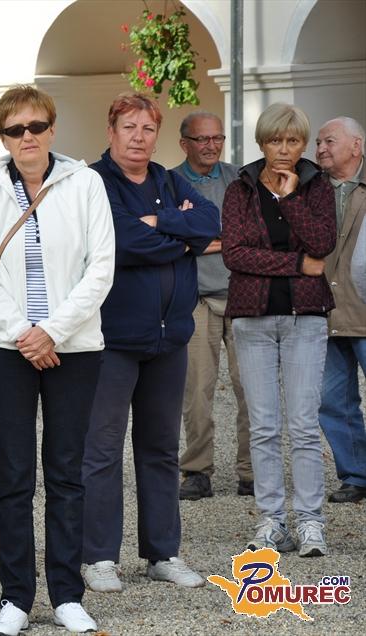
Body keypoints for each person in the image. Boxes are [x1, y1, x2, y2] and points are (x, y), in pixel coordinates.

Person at [0, 85, 115, 636]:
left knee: (67, 472)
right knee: (14, 475)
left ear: (52, 129)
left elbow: (101, 268)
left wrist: (52, 331)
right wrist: (24, 332)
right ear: (3, 136)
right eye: (14, 129)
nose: (26, 137)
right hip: (7, 349)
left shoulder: (85, 182)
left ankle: (67, 595)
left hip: (74, 347)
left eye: (35, 126)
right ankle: (16, 598)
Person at [82, 93, 219, 594]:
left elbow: (211, 222)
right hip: (113, 340)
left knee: (161, 448)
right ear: (111, 131)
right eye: (129, 127)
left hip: (169, 337)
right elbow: (120, 241)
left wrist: (162, 222)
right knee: (102, 449)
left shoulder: (167, 179)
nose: (139, 137)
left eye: (147, 128)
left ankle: (163, 553)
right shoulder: (95, 182)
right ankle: (98, 557)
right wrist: (181, 239)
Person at [223, 103, 336, 556]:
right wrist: (297, 264)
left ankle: (310, 522)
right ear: (262, 143)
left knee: (304, 425)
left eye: (293, 141)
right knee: (264, 426)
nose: (284, 149)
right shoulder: (240, 188)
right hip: (252, 319)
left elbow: (323, 244)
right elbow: (234, 254)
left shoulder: (317, 185)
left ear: (304, 143)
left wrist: (289, 200)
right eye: (275, 140)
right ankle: (272, 520)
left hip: (306, 318)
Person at [173, 112, 253, 500]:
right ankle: (197, 470)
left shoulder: (241, 179)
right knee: (196, 392)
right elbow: (170, 238)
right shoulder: (169, 182)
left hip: (243, 295)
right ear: (184, 143)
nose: (211, 145)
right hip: (197, 300)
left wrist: (202, 240)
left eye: (217, 138)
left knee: (251, 390)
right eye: (202, 139)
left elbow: (252, 235)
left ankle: (252, 472)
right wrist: (216, 240)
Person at [315, 117, 366, 504]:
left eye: (329, 141)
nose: (320, 149)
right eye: (318, 143)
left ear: (356, 146)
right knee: (334, 402)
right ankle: (356, 475)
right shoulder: (310, 191)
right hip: (325, 314)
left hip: (363, 310)